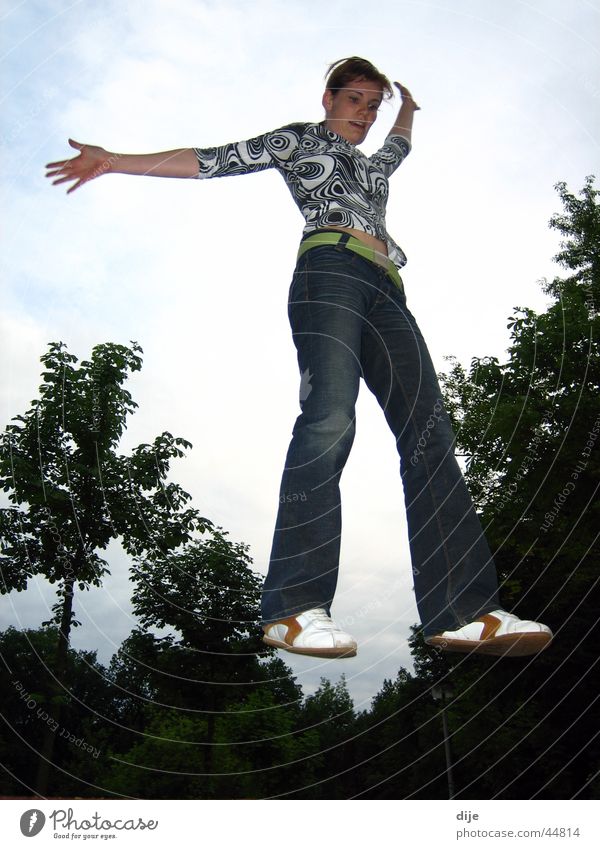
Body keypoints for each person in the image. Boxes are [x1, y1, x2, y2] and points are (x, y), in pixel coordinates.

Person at [46, 56, 553, 660]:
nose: (365, 113)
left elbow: (400, 147)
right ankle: (294, 607)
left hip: (387, 289)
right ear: (328, 97)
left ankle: (464, 612)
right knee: (330, 419)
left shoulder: (375, 167)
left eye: (373, 105)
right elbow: (208, 159)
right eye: (356, 99)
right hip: (329, 272)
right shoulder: (299, 140)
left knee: (429, 430)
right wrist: (113, 159)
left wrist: (408, 111)